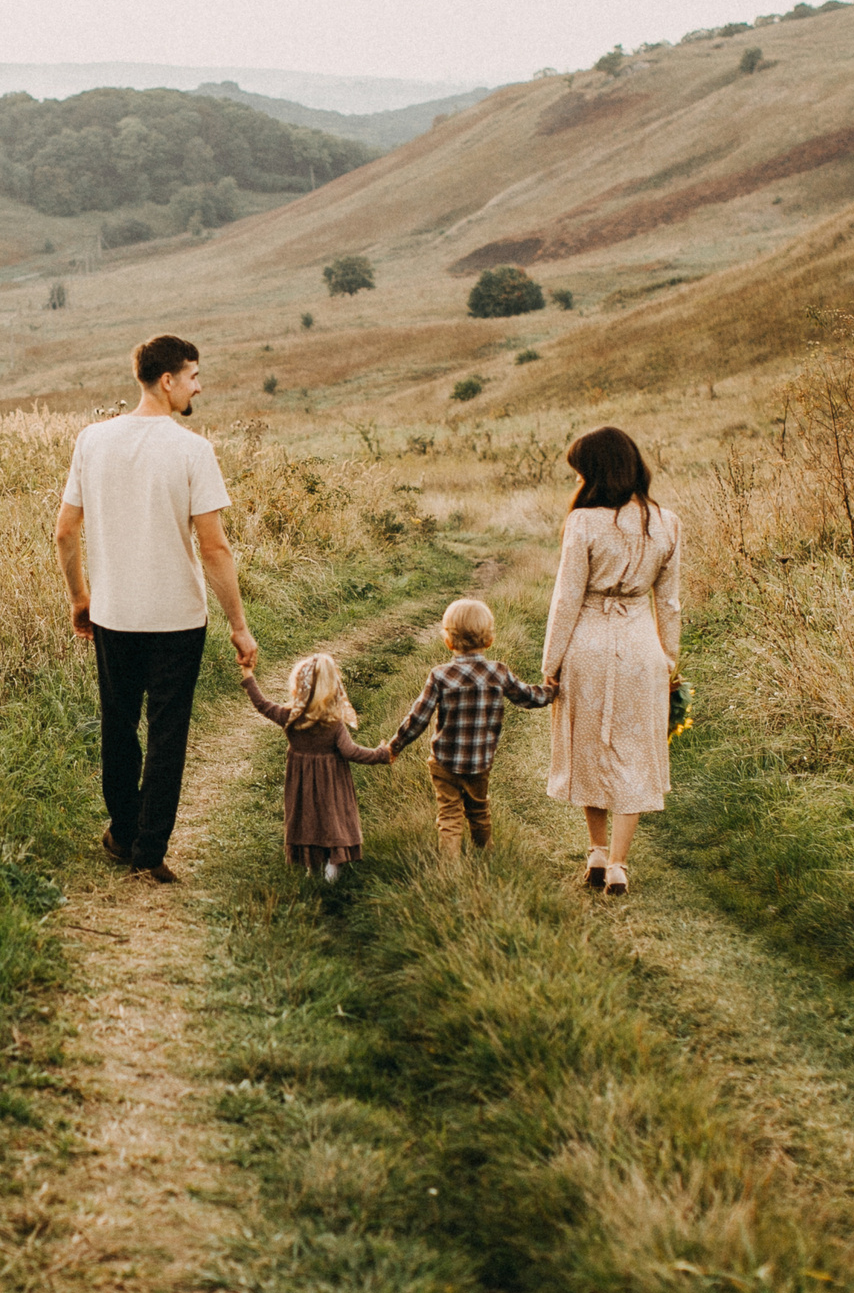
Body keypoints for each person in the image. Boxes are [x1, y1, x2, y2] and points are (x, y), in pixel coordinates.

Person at [55, 334, 258, 884]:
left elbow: (65, 531)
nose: (199, 385)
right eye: (193, 375)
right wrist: (240, 626)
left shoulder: (92, 441)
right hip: (177, 619)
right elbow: (214, 548)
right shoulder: (193, 450)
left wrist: (80, 598)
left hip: (114, 614)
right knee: (168, 732)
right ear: (167, 381)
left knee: (118, 726)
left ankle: (122, 831)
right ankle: (148, 851)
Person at [540, 426, 682, 897]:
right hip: (643, 648)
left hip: (588, 644)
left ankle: (597, 851)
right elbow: (671, 603)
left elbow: (567, 599)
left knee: (588, 746)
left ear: (596, 471)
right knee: (635, 749)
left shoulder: (583, 522)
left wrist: (551, 661)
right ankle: (619, 864)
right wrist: (669, 659)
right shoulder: (667, 522)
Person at [385, 598, 555, 858]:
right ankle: (485, 854)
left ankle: (451, 867)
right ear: (489, 640)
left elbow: (418, 718)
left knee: (449, 815)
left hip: (444, 762)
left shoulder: (440, 676)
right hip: (480, 762)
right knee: (479, 810)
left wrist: (395, 745)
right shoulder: (498, 673)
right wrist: (551, 690)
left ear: (448, 641)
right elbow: (528, 697)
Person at [244, 652, 392, 882]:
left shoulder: (291, 717)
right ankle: (333, 865)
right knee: (332, 819)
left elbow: (262, 705)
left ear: (299, 686)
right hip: (332, 783)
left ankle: (310, 864)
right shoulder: (333, 724)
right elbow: (351, 752)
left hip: (301, 782)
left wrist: (248, 675)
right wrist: (381, 754)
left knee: (306, 818)